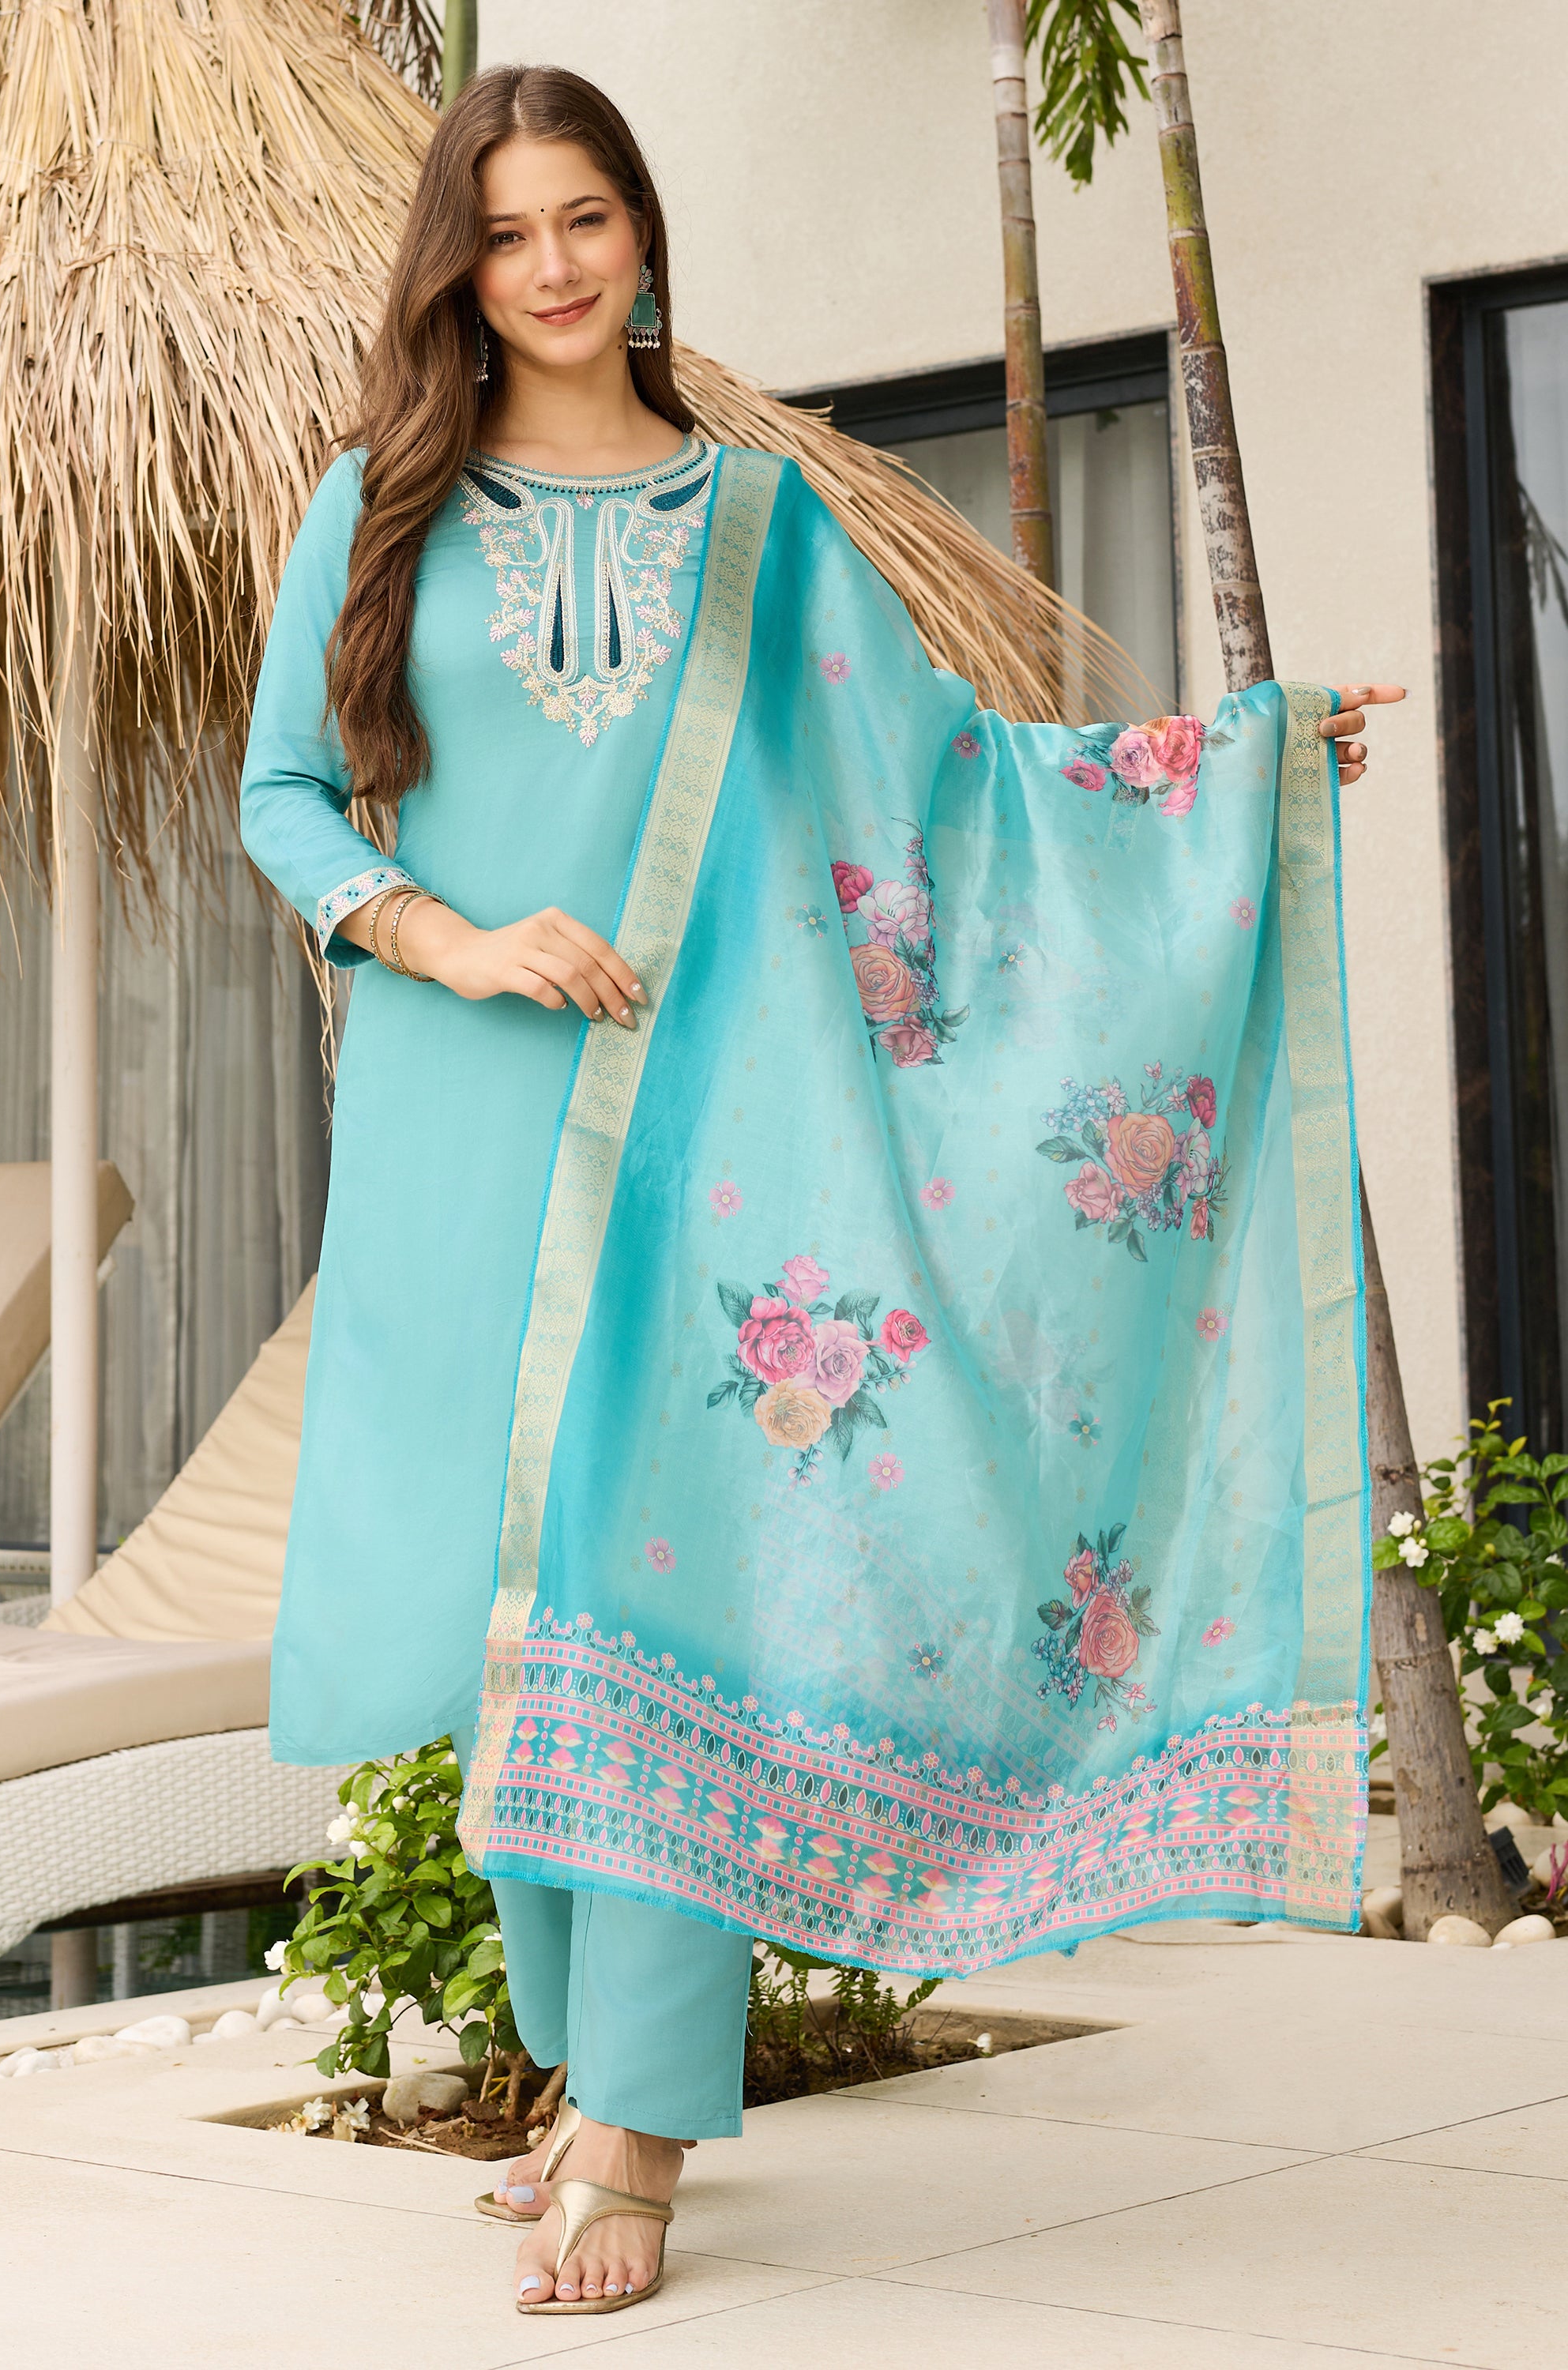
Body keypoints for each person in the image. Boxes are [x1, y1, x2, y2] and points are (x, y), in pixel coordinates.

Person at [240, 63, 1401, 2318]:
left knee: (666, 1597)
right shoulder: (375, 507)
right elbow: (286, 794)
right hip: (458, 1119)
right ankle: (588, 2062)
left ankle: (640, 2122)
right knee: (511, 1612)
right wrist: (449, 940)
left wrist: (1231, 771)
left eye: (587, 218)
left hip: (720, 1132)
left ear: (642, 233)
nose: (554, 267)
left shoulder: (759, 522)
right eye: (509, 232)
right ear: (457, 267)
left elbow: (947, 783)